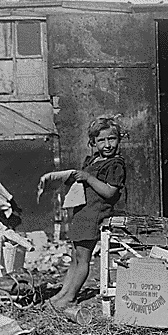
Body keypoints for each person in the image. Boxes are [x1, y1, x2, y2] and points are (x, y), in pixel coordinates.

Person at [49, 116, 127, 309]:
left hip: (95, 214)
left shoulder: (115, 164)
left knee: (83, 258)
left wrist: (89, 178)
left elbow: (110, 192)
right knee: (75, 256)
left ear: (119, 139)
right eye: (101, 140)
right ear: (93, 142)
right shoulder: (93, 160)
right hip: (82, 212)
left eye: (112, 139)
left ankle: (70, 297)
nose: (107, 144)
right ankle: (63, 293)